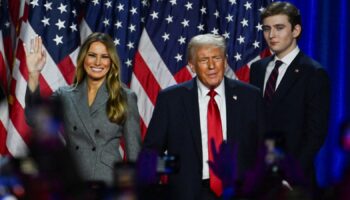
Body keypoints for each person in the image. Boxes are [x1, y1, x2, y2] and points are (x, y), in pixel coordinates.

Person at [143, 33, 265, 200]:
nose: (211, 66)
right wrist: (175, 170)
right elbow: (152, 151)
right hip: (190, 192)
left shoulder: (250, 96)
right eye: (203, 60)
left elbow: (264, 146)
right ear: (192, 65)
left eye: (216, 58)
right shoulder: (171, 99)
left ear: (225, 60)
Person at [24, 32, 141, 186]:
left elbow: (135, 153)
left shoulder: (125, 97)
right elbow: (34, 120)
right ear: (83, 58)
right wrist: (34, 73)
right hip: (72, 181)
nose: (98, 62)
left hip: (108, 183)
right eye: (92, 55)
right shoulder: (65, 95)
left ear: (111, 61)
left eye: (104, 57)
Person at [250, 1, 330, 191]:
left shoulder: (313, 73)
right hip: (257, 179)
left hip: (293, 182)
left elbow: (315, 133)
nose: (271, 35)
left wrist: (291, 175)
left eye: (279, 28)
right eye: (266, 28)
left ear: (296, 30)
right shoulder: (258, 69)